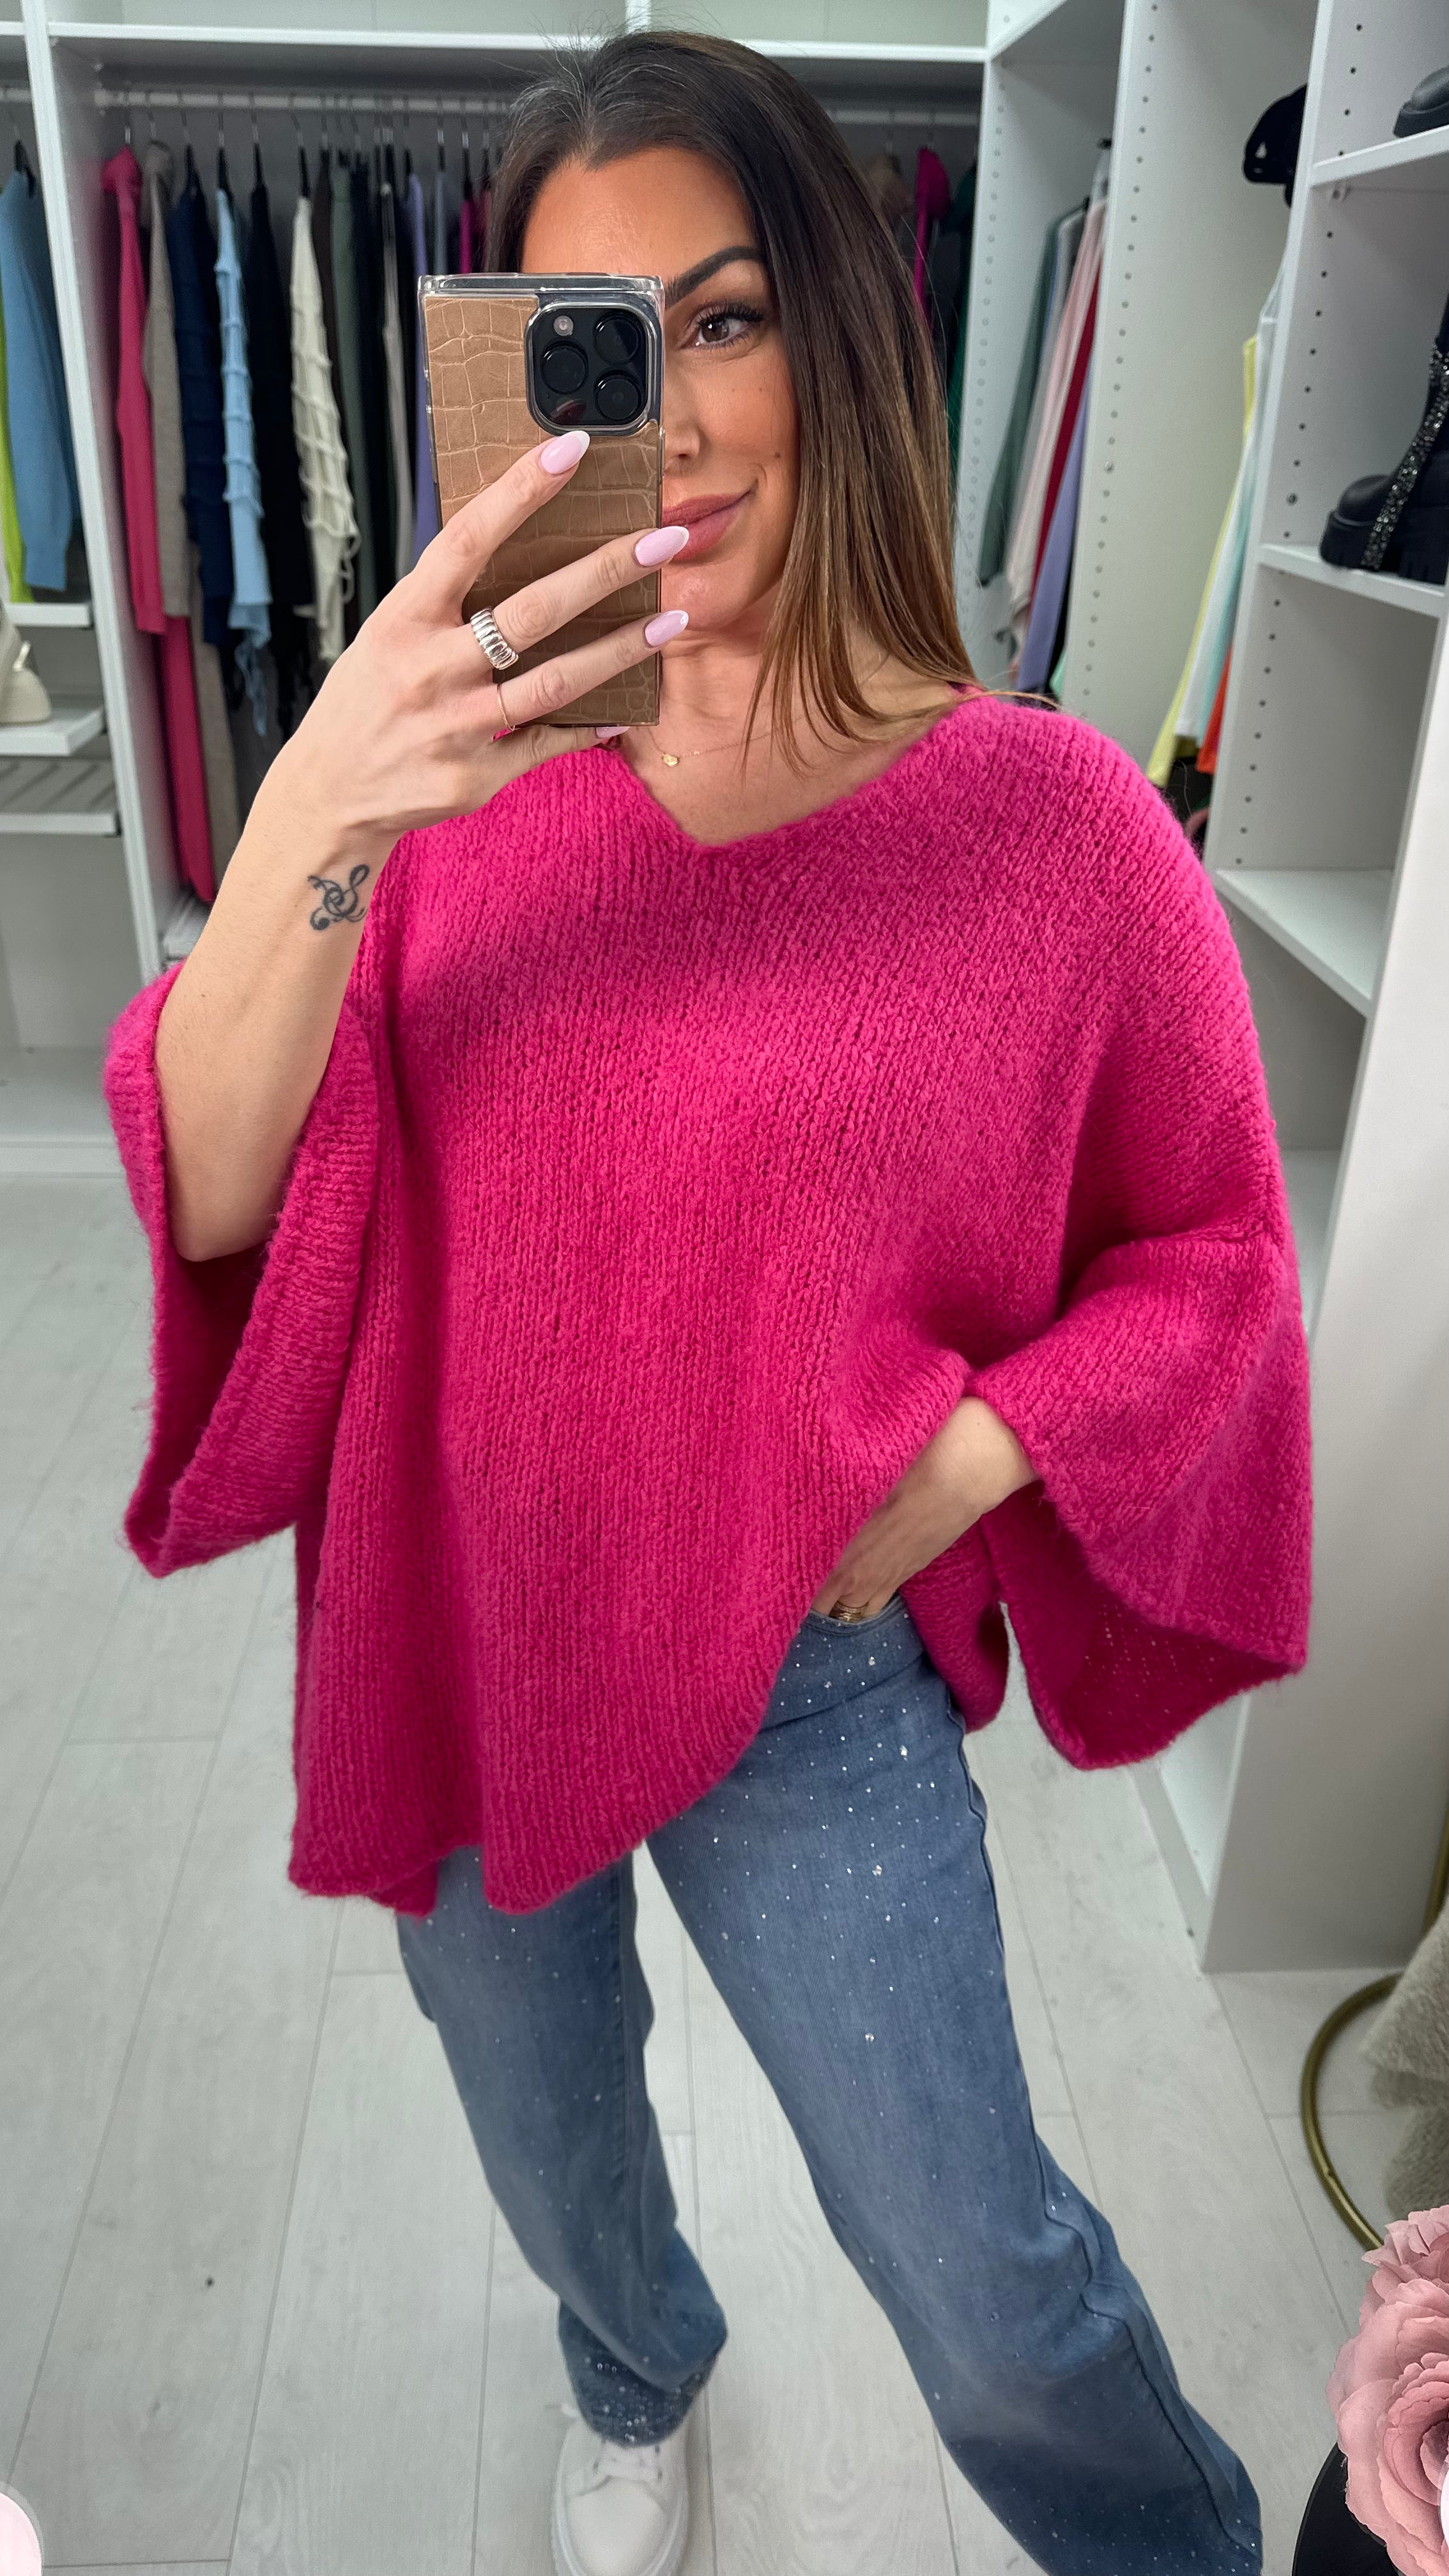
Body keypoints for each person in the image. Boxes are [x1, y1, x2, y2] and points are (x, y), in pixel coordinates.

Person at [103, 33, 1312, 2576]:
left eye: (727, 316)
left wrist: (975, 1453)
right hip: (458, 1614)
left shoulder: (1052, 828)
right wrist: (330, 791)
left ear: (841, 334)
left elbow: (1213, 1253)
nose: (669, 413)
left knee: (986, 2278)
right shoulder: (447, 797)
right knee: (550, 2148)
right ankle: (637, 2363)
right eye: (592, 346)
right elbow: (211, 1184)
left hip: (810, 1667)